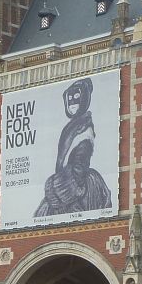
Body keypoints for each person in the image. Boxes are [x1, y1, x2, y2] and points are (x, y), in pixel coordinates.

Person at [33, 78, 112, 218]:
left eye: (77, 98)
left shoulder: (83, 128)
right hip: (66, 179)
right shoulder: (74, 125)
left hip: (74, 183)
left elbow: (80, 162)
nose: (73, 103)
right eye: (70, 99)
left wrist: (67, 189)